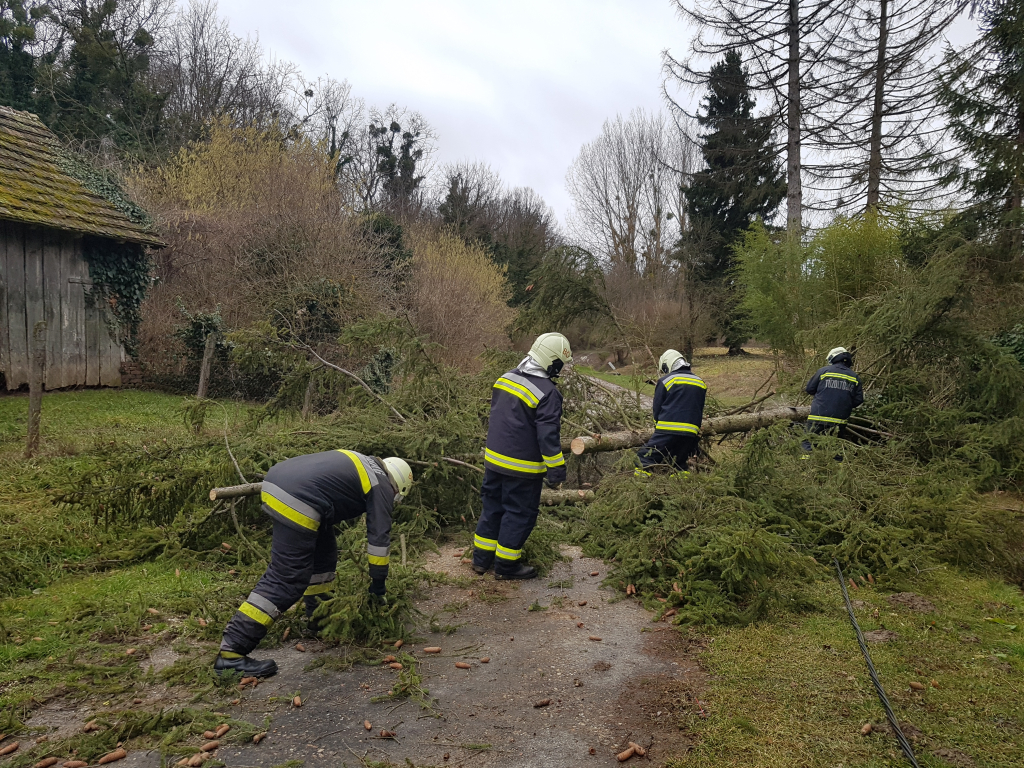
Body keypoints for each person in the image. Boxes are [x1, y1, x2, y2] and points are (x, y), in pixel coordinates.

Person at [214, 450, 413, 678]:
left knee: (324, 556)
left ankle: (320, 619)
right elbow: (379, 542)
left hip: (280, 481)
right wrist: (378, 587)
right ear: (399, 486)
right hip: (299, 497)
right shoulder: (382, 485)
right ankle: (231, 653)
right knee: (287, 578)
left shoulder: (365, 463)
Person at [472, 333, 572, 580]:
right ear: (552, 362)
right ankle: (506, 567)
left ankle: (480, 561)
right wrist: (557, 471)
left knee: (492, 509)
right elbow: (548, 436)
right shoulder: (548, 393)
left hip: (494, 462)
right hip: (522, 468)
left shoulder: (505, 378)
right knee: (519, 514)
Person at [636, 349, 707, 475]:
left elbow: (657, 408)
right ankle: (683, 489)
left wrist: (657, 428)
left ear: (667, 364)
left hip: (667, 431)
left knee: (643, 458)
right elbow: (699, 408)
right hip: (691, 433)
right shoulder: (700, 382)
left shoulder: (666, 381)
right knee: (679, 464)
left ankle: (641, 487)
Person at [801, 346, 864, 456]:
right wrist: (846, 405)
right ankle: (838, 468)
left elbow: (810, 389)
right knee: (836, 446)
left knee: (808, 441)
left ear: (833, 358)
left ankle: (806, 466)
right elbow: (858, 400)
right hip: (840, 420)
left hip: (818, 416)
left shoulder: (823, 371)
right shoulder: (855, 377)